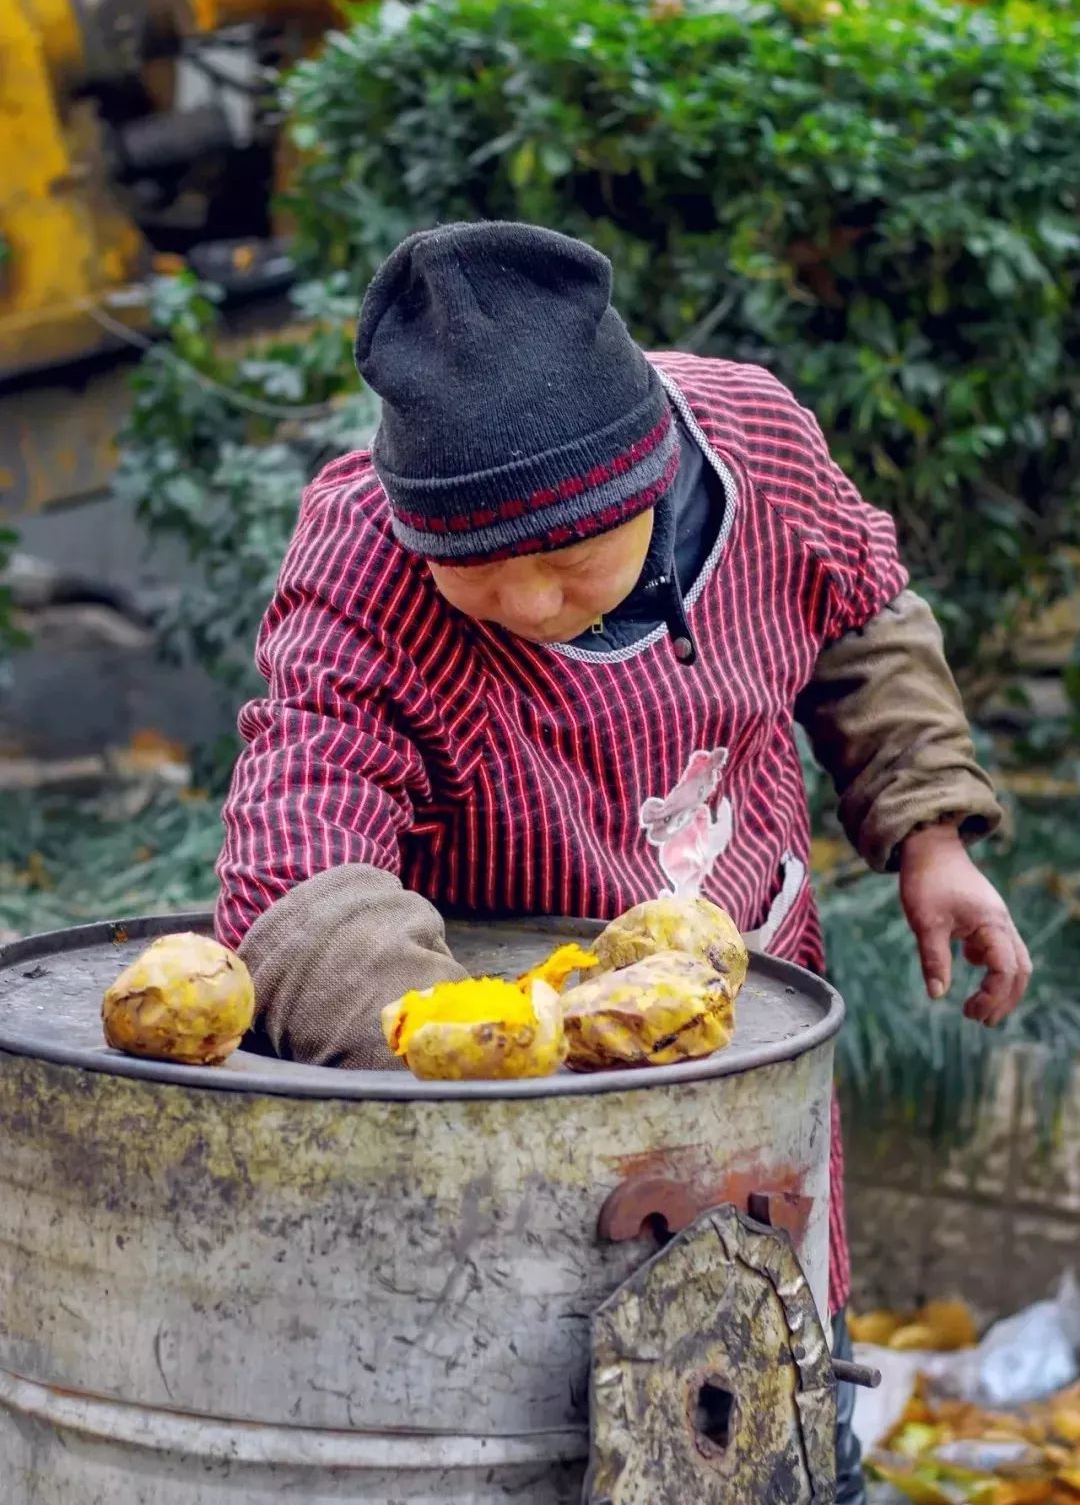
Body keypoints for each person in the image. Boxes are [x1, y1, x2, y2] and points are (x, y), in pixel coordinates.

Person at [216, 221, 1030, 1501]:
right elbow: (300, 841)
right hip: (493, 1114)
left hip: (747, 1049)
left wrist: (928, 832)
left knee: (786, 1395)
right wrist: (454, 1058)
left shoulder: (754, 440)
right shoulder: (363, 557)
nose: (531, 605)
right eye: (478, 579)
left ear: (645, 483)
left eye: (564, 562)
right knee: (543, 1438)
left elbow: (862, 616)